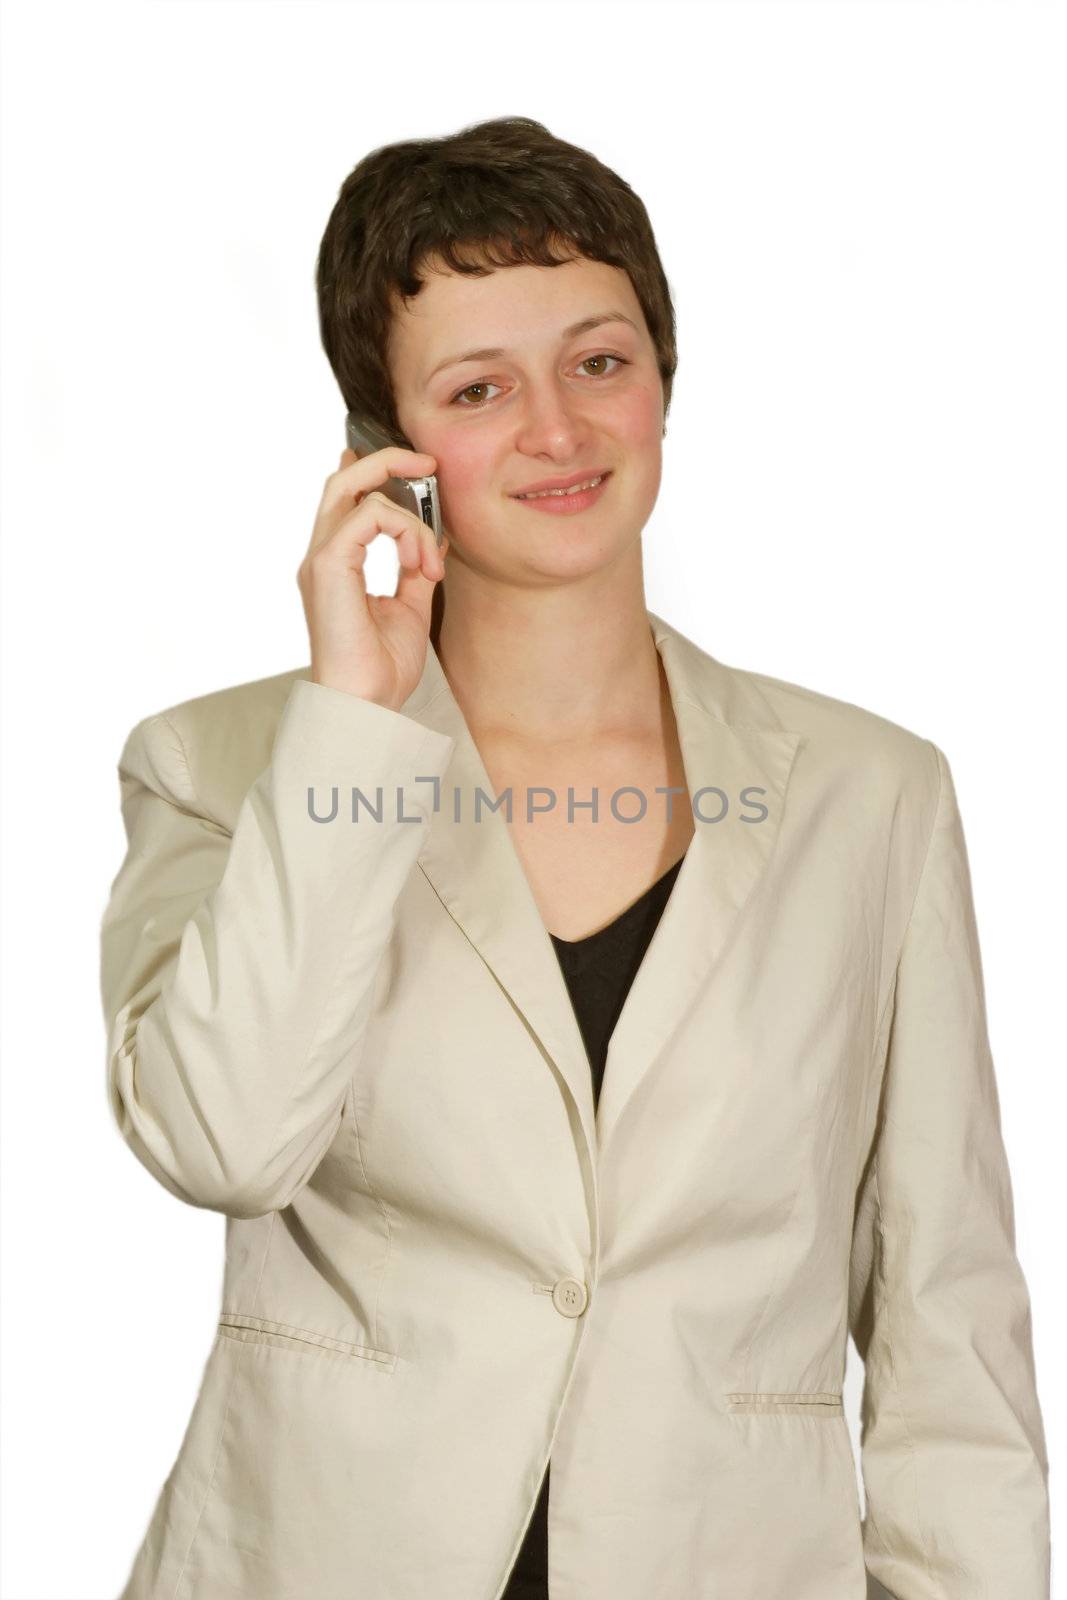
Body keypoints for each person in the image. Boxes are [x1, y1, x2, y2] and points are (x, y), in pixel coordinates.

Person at [99, 116, 1050, 1599]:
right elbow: (226, 1144)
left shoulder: (874, 798)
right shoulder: (222, 768)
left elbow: (950, 1322)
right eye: (480, 388)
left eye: (600, 360)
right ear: (384, 451)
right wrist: (351, 720)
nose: (559, 428)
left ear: (664, 380)